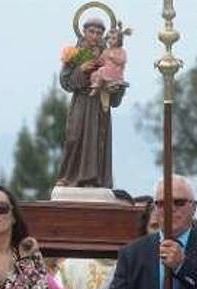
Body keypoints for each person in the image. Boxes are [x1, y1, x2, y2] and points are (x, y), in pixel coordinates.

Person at [56, 18, 125, 188]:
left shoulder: (108, 53)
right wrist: (81, 69)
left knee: (97, 140)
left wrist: (115, 86)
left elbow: (118, 74)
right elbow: (65, 82)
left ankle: (94, 179)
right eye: (91, 31)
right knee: (74, 137)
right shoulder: (75, 53)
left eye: (99, 32)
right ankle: (68, 176)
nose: (95, 36)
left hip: (100, 102)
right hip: (81, 101)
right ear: (84, 32)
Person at [88, 25, 127, 110]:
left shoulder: (121, 51)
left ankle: (96, 87)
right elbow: (101, 61)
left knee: (102, 70)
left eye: (113, 38)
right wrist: (95, 59)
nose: (110, 41)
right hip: (106, 72)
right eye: (109, 38)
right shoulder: (106, 51)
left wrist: (113, 57)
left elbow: (122, 60)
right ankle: (97, 86)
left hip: (115, 74)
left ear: (119, 40)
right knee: (95, 74)